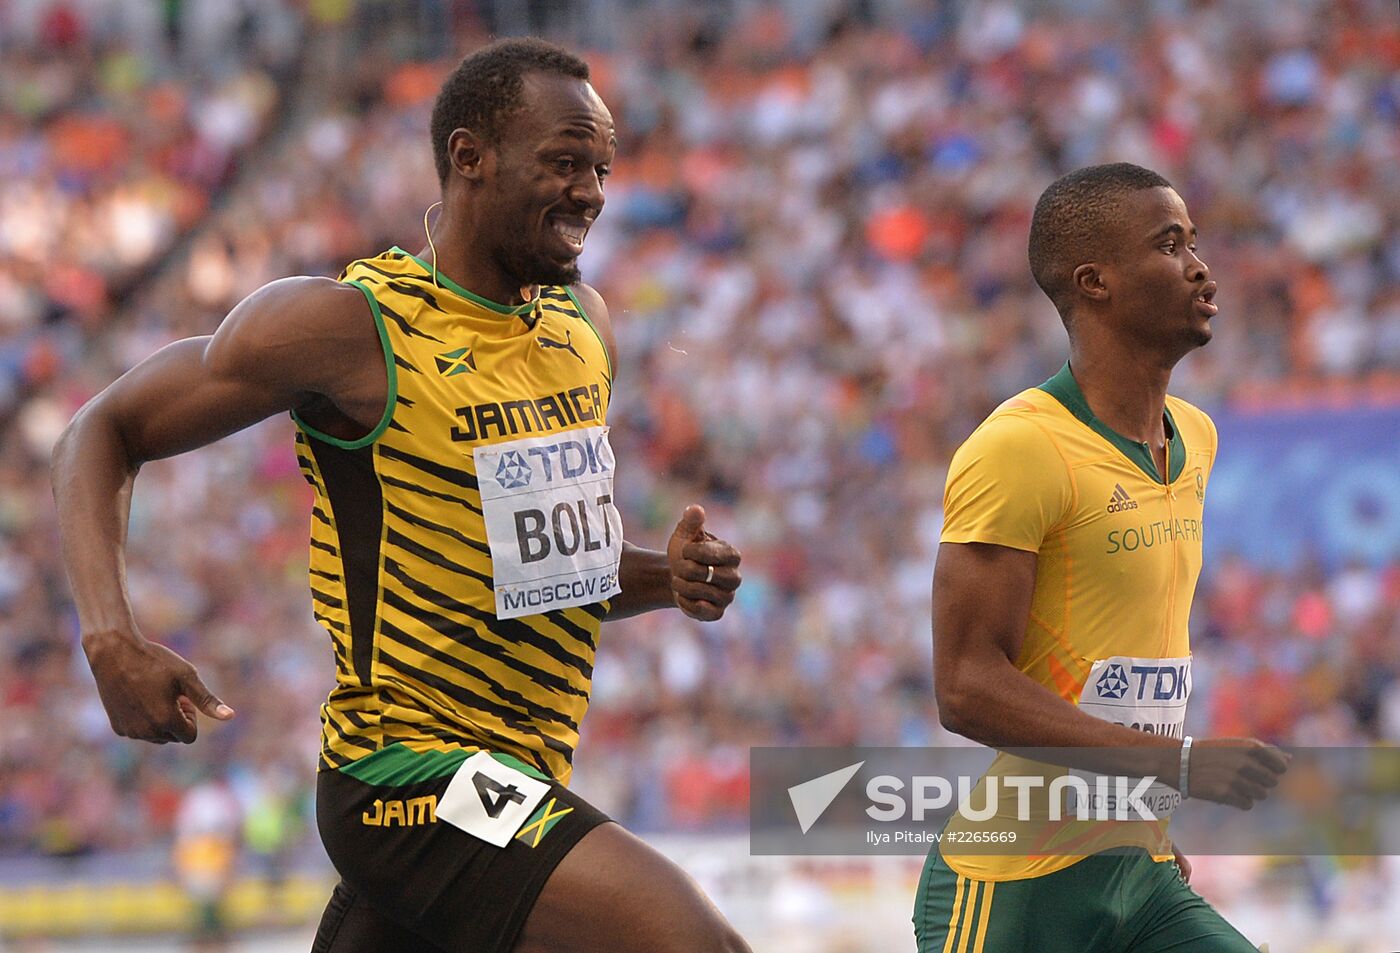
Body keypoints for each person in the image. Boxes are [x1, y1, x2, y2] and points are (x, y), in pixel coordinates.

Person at [52, 38, 750, 953]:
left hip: (515, 772)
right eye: (565, 163)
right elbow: (98, 430)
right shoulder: (350, 327)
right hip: (407, 780)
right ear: (470, 157)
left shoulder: (585, 328)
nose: (592, 192)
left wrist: (669, 578)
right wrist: (111, 637)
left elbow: (537, 570)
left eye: (601, 168)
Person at [915, 163, 1290, 952]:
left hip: (1136, 868)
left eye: (1194, 241)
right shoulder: (1020, 446)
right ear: (1096, 283)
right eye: (1170, 244)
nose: (1200, 264)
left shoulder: (1196, 439)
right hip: (1012, 890)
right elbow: (966, 685)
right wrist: (1176, 763)